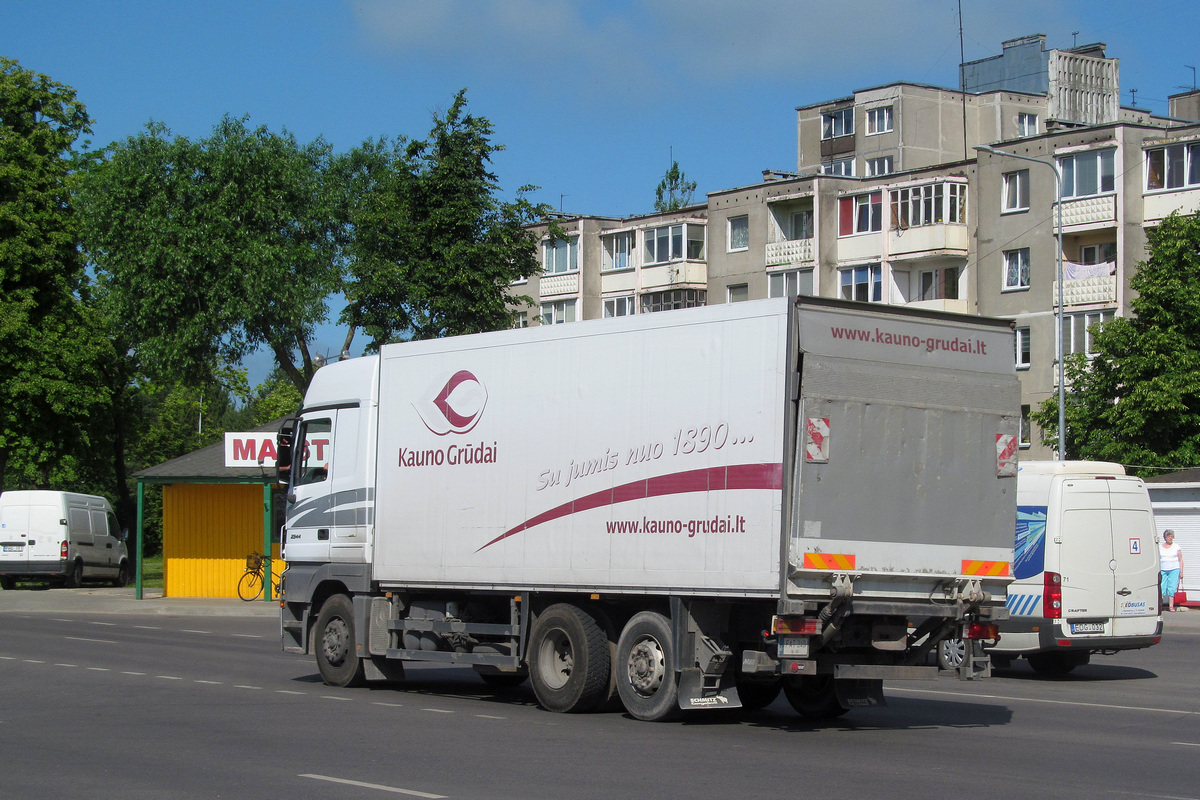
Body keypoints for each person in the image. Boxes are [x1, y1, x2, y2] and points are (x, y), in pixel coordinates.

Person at [1160, 530, 1185, 612]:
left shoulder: (1176, 546)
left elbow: (1180, 559)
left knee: (1172, 588)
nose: (1170, 538)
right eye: (1169, 536)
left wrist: (1181, 571)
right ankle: (1160, 605)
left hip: (1174, 569)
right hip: (1163, 569)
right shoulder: (1160, 547)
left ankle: (1171, 606)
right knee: (1162, 588)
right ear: (1165, 537)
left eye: (1171, 536)